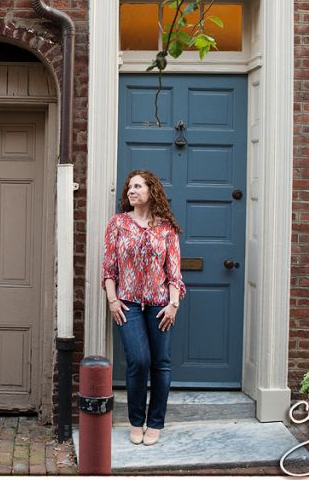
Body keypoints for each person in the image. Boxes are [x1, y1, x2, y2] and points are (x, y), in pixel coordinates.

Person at [102, 169, 186, 446]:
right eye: (129, 187)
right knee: (139, 361)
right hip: (127, 304)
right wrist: (113, 300)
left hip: (160, 305)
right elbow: (109, 268)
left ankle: (155, 422)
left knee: (160, 364)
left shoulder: (166, 228)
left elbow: (174, 273)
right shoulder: (118, 224)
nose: (131, 191)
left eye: (137, 186)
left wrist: (173, 304)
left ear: (152, 191)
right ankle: (136, 420)